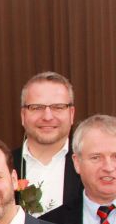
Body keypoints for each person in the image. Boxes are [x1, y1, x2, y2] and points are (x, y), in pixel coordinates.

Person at [12, 71, 82, 215]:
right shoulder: (4, 167)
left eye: (58, 107)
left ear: (71, 114)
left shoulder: (90, 166)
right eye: (37, 107)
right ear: (23, 115)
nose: (47, 117)